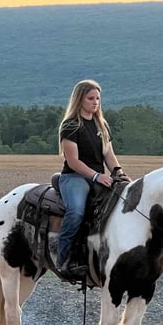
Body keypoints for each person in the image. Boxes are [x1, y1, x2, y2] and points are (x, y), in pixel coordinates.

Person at [56, 79, 131, 278]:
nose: (95, 102)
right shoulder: (70, 126)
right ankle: (63, 259)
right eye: (91, 98)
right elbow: (73, 161)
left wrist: (119, 174)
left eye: (98, 98)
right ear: (80, 99)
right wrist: (97, 176)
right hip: (75, 177)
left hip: (99, 177)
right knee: (77, 211)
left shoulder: (102, 124)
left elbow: (109, 155)